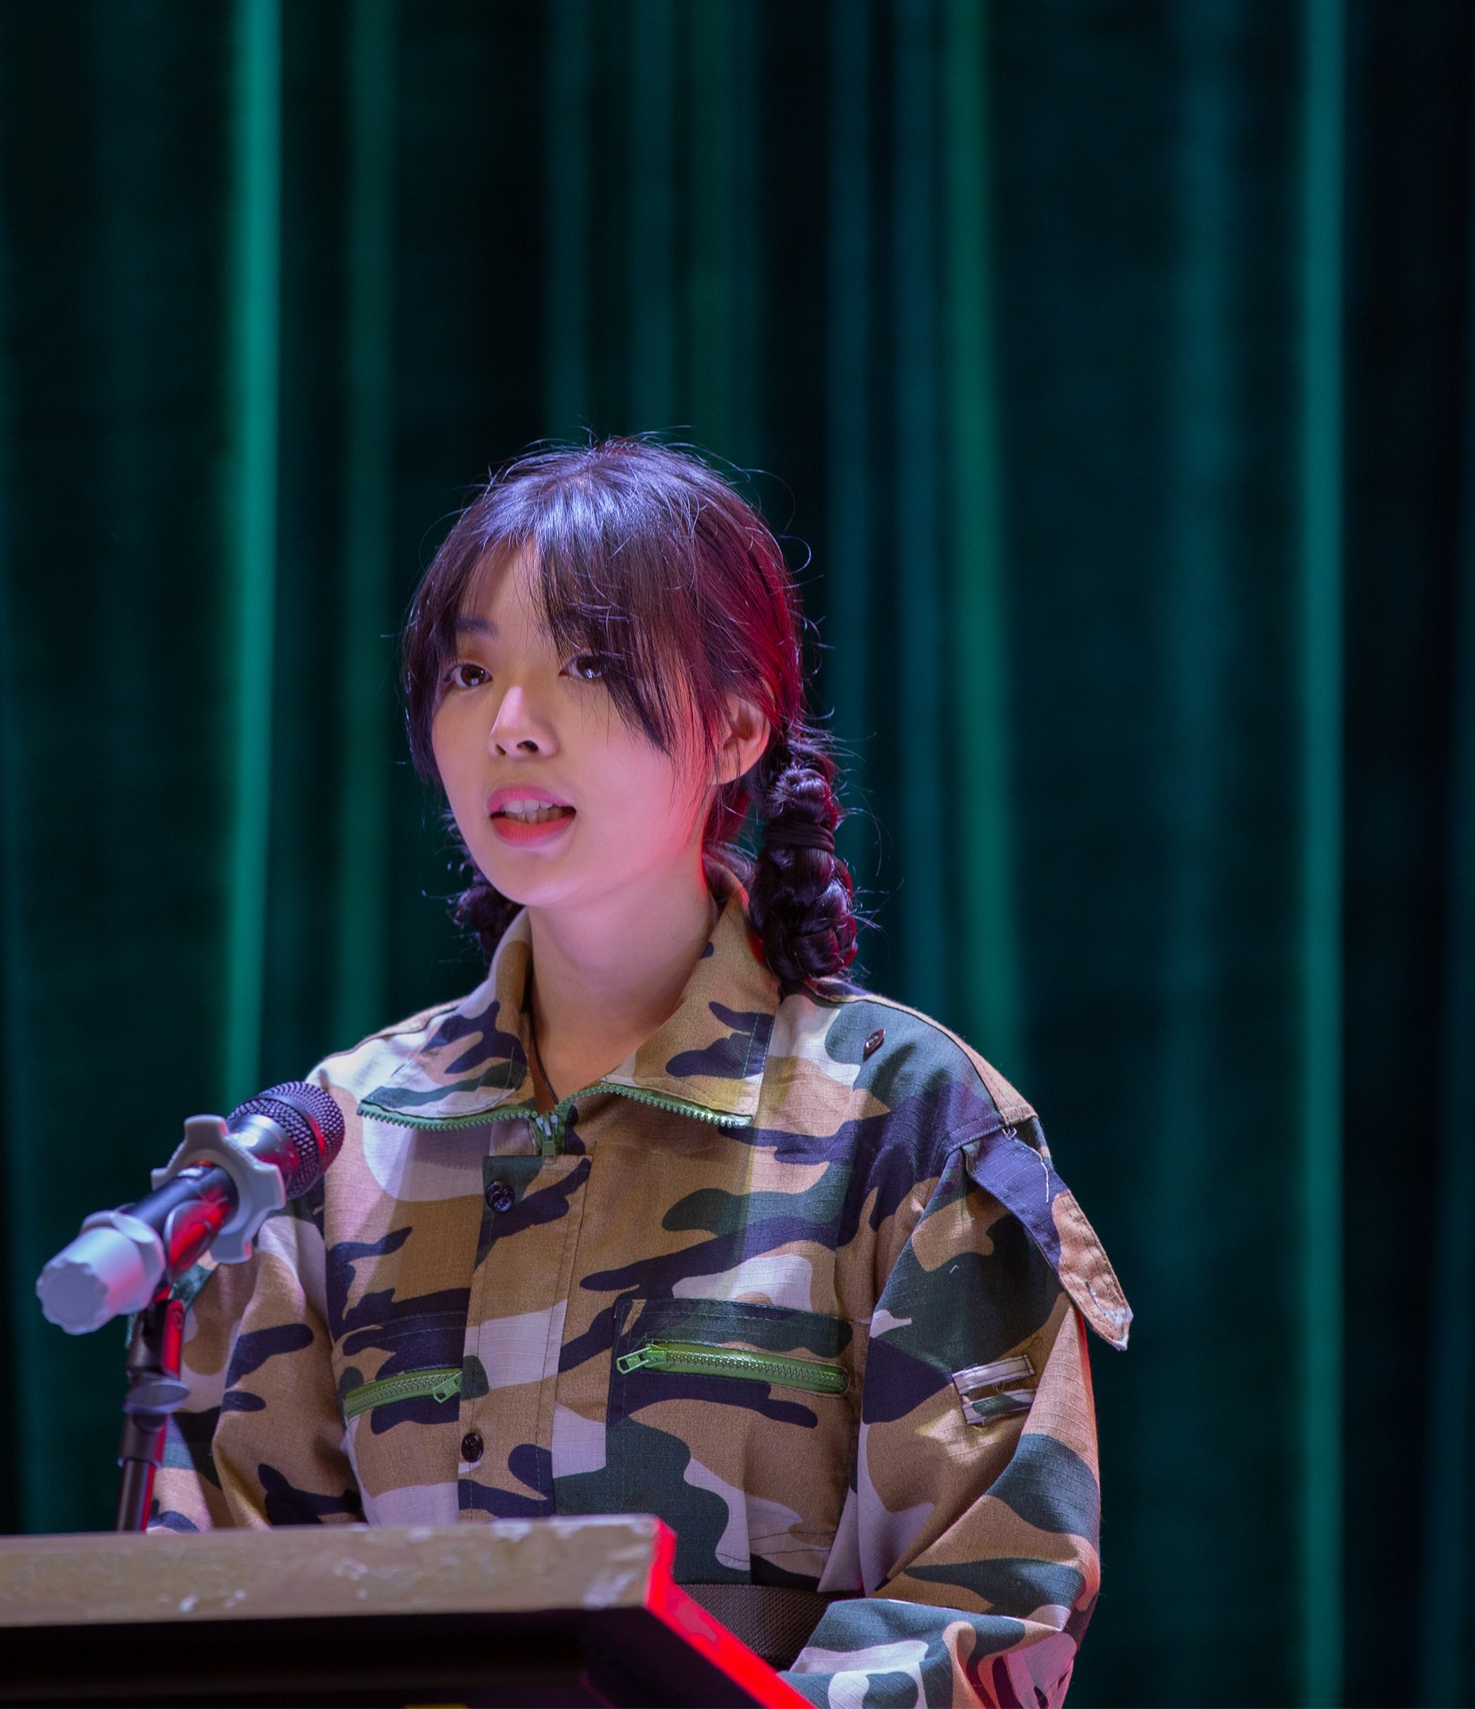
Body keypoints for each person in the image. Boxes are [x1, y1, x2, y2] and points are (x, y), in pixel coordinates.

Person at [155, 439, 1131, 1709]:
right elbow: (228, 1599)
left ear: (736, 727)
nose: (512, 724)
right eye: (470, 672)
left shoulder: (909, 1120)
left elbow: (982, 1604)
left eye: (588, 664)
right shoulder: (336, 1139)